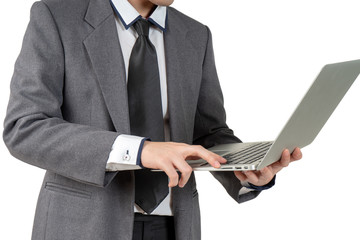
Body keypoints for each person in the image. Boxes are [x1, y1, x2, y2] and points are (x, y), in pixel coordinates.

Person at [3, 0, 302, 239]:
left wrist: (245, 167)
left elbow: (208, 132)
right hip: (82, 225)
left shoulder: (196, 35)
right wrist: (141, 150)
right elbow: (25, 127)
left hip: (173, 226)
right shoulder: (56, 17)